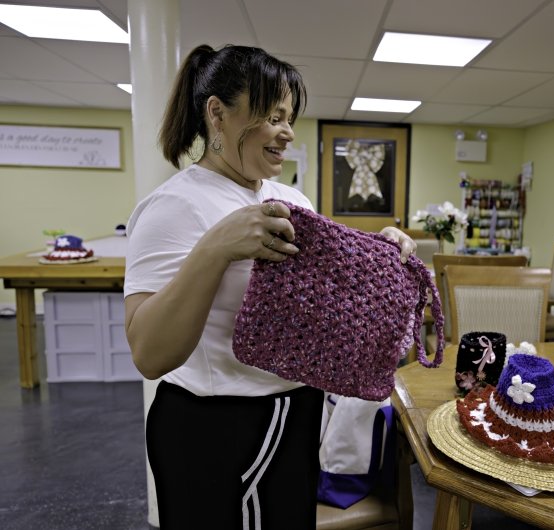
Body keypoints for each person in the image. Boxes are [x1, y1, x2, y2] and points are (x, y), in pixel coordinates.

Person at [123, 44, 416, 530]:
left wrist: (383, 254)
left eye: (289, 117)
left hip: (295, 413)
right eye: (273, 116)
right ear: (217, 113)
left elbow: (326, 293)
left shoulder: (288, 197)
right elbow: (149, 353)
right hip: (218, 427)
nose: (287, 131)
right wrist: (216, 248)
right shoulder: (174, 206)